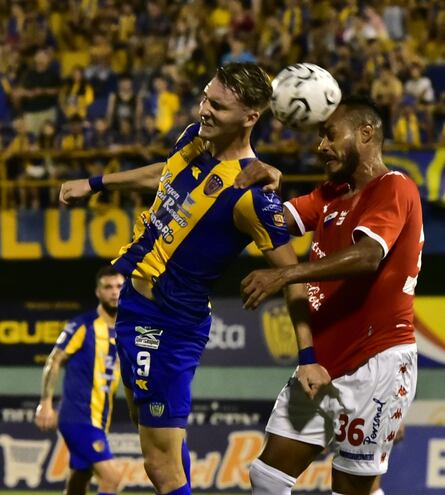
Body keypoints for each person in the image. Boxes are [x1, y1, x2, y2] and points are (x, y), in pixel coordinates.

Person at [58, 62, 321, 495]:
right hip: (133, 307)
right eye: (204, 97)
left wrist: (307, 354)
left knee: (159, 465)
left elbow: (293, 275)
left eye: (218, 105)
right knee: (153, 433)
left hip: (167, 323)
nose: (204, 109)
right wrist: (96, 183)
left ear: (251, 117)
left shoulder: (252, 195)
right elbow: (166, 170)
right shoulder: (193, 141)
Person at [239, 97, 422, 495]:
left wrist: (286, 274)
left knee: (351, 490)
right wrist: (267, 183)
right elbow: (271, 222)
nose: (320, 146)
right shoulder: (329, 195)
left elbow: (368, 256)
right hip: (322, 364)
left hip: (376, 361)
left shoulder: (395, 186)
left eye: (329, 135)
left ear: (366, 133)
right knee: (267, 476)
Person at [35, 266, 125, 495]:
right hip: (79, 417)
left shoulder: (126, 330)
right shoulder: (84, 325)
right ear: (98, 292)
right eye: (108, 287)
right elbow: (54, 360)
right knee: (111, 479)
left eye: (119, 287)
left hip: (99, 419)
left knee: (78, 482)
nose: (114, 292)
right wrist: (45, 402)